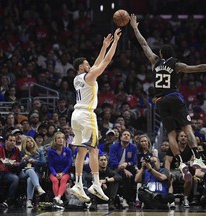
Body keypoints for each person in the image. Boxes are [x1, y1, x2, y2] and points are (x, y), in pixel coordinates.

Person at [130, 14, 206, 174]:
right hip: (173, 96)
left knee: (171, 133)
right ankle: (197, 158)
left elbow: (143, 44)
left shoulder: (154, 61)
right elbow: (199, 68)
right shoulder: (177, 65)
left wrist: (135, 28)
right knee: (187, 129)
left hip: (160, 100)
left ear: (161, 54)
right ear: (172, 55)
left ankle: (180, 163)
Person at [70, 28, 121, 203]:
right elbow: (106, 61)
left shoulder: (78, 78)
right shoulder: (89, 77)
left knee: (81, 150)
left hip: (75, 115)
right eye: (86, 63)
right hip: (86, 115)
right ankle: (96, 183)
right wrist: (115, 42)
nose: (90, 65)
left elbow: (98, 62)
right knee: (94, 149)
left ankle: (77, 183)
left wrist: (103, 45)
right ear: (81, 67)